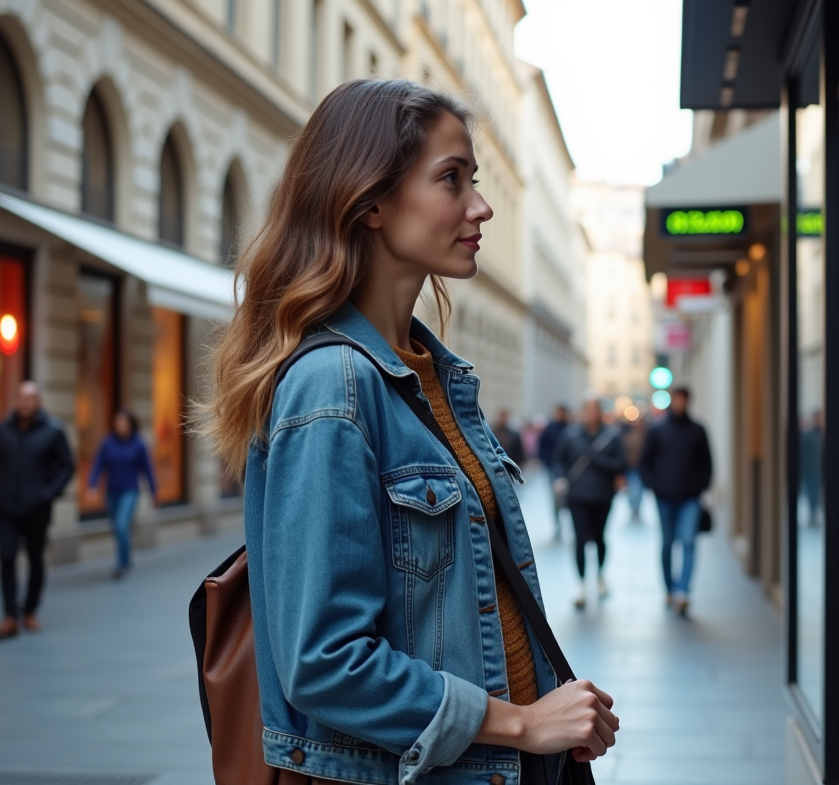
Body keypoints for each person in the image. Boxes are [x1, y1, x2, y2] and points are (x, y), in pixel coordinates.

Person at [197, 79, 617, 784]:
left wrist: (549, 707)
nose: (480, 207)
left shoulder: (432, 375)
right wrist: (521, 721)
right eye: (451, 180)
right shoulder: (333, 386)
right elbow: (324, 663)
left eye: (475, 180)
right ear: (370, 203)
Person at [0, 381, 75, 639]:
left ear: (39, 402)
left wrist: (47, 494)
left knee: (35, 559)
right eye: (21, 398)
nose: (25, 403)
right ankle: (9, 615)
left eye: (30, 398)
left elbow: (67, 466)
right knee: (6, 557)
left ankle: (29, 609)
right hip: (6, 508)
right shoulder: (2, 430)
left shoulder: (53, 431)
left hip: (37, 509)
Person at [639, 386, 712, 616]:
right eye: (677, 399)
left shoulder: (698, 430)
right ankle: (669, 588)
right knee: (668, 542)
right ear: (673, 401)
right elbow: (645, 461)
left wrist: (701, 486)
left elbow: (707, 462)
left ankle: (683, 590)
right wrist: (654, 486)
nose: (680, 403)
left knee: (688, 542)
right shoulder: (658, 430)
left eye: (684, 400)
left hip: (690, 497)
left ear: (688, 402)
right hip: (665, 497)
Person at [554, 397, 627, 609]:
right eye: (588, 409)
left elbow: (621, 464)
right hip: (577, 496)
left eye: (595, 409)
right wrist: (559, 479)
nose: (591, 413)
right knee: (579, 540)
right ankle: (582, 584)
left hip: (603, 495)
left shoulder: (611, 435)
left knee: (600, 539)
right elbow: (559, 460)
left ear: (601, 412)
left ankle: (601, 575)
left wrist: (597, 459)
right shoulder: (570, 434)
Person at [86, 408, 157, 579]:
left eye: (124, 423)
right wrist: (92, 485)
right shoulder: (107, 443)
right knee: (117, 528)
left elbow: (147, 469)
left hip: (130, 491)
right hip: (111, 491)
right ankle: (126, 556)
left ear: (131, 425)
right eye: (117, 423)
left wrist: (154, 491)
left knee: (121, 525)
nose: (120, 426)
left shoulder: (139, 444)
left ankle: (121, 564)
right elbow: (98, 465)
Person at [537, 404, 570, 540]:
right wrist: (546, 460)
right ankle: (558, 524)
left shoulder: (570, 429)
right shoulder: (550, 428)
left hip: (568, 469)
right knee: (555, 498)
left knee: (569, 498)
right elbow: (542, 446)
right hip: (553, 468)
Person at [620, 412, 648, 523]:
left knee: (638, 491)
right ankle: (633, 509)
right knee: (633, 491)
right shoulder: (626, 435)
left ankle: (636, 509)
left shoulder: (645, 435)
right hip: (631, 467)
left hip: (640, 468)